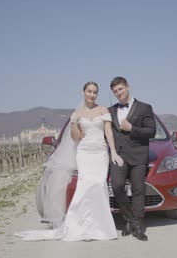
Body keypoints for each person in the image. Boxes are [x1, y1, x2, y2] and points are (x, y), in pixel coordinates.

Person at [14, 81, 123, 241]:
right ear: (83, 92)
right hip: (84, 152)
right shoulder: (77, 114)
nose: (92, 95)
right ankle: (82, 227)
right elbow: (74, 138)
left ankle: (100, 227)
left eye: (95, 92)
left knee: (99, 185)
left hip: (100, 152)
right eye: (89, 91)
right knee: (85, 186)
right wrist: (74, 124)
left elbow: (108, 131)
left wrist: (113, 151)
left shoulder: (103, 110)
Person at [108, 76, 156, 241]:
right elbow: (105, 131)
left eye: (120, 89)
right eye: (115, 91)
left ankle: (137, 225)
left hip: (138, 155)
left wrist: (132, 128)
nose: (118, 93)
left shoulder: (144, 108)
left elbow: (151, 131)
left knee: (138, 190)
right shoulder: (111, 110)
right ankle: (128, 219)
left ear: (128, 87)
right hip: (119, 156)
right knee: (117, 186)